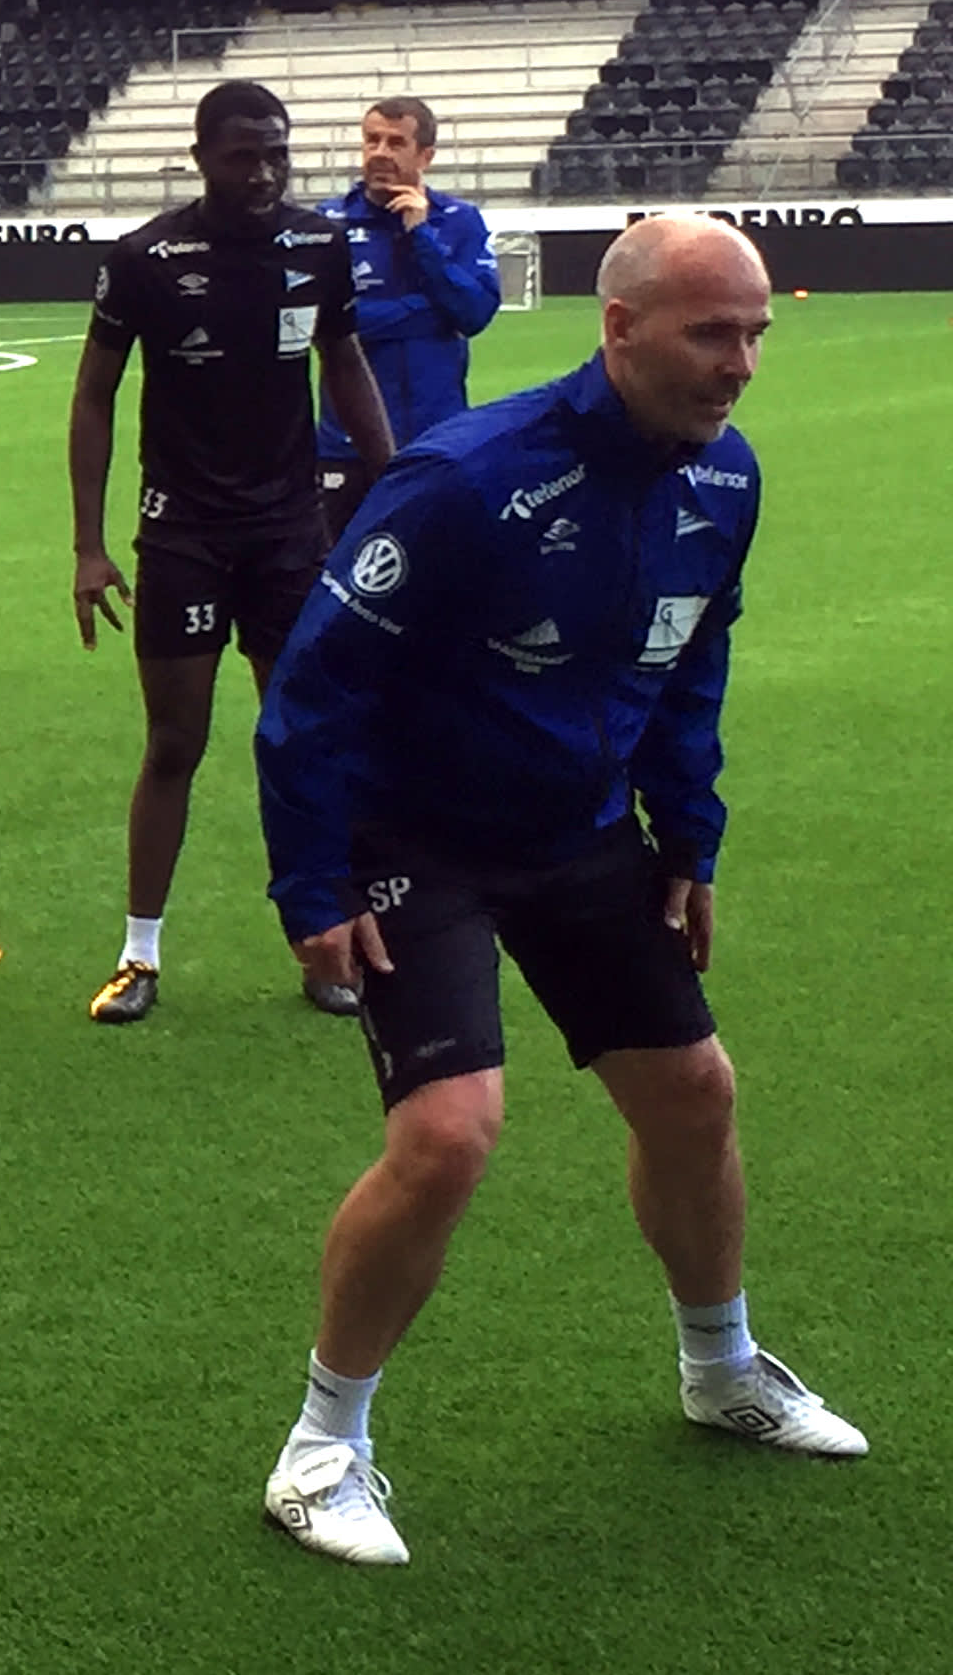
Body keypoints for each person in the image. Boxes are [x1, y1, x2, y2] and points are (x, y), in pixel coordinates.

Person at [252, 214, 863, 1567]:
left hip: (581, 834)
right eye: (713, 333)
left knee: (693, 1093)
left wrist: (687, 839)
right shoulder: (464, 479)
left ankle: (722, 1368)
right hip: (419, 837)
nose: (740, 364)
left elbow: (687, 668)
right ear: (621, 327)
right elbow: (313, 689)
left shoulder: (726, 478)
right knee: (448, 1135)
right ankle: (320, 1449)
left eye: (756, 333)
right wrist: (312, 881)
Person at [69, 80, 396, 1025]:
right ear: (202, 158)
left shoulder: (320, 247)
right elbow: (94, 396)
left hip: (291, 533)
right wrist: (89, 546)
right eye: (242, 155)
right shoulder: (145, 259)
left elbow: (345, 364)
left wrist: (398, 485)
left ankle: (324, 941)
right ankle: (139, 955)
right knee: (175, 742)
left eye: (276, 154)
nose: (262, 173)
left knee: (301, 738)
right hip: (182, 533)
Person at [313, 96, 503, 540]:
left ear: (425, 156)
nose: (380, 152)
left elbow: (473, 313)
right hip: (346, 446)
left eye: (396, 143)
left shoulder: (458, 221)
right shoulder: (328, 224)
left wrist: (422, 236)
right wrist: (425, 310)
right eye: (372, 140)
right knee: (337, 571)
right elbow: (324, 324)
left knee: (436, 570)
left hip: (438, 440)